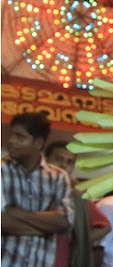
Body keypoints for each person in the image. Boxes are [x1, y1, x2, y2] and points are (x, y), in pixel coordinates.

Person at [2, 112, 73, 267]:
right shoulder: (1, 171)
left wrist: (17, 214)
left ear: (39, 143)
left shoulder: (58, 177)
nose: (11, 141)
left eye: (20, 137)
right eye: (12, 135)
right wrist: (46, 229)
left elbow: (64, 221)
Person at [43, 141, 112, 267]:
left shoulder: (76, 196)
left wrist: (78, 239)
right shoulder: (34, 186)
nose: (63, 165)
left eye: (69, 162)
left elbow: (105, 226)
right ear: (46, 159)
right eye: (58, 159)